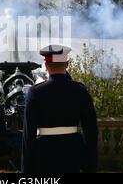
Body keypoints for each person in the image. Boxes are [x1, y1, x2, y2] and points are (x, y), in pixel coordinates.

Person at [21, 45, 99, 173]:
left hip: (44, 152)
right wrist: (91, 164)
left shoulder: (35, 92)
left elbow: (28, 135)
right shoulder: (80, 90)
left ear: (46, 66)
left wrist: (26, 169)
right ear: (67, 64)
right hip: (73, 151)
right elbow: (91, 130)